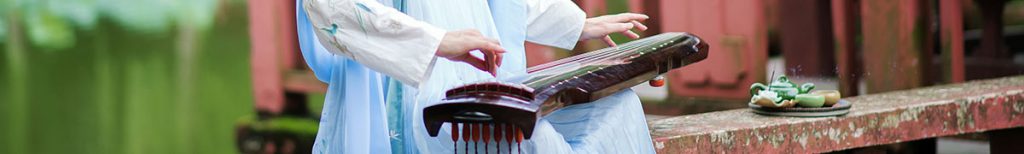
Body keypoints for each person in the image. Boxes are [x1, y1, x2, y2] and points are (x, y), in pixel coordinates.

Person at [297, 0, 654, 153]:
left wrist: (577, 25)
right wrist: (438, 41)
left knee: (616, 107)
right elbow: (329, 8)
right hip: (407, 90)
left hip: (483, 81)